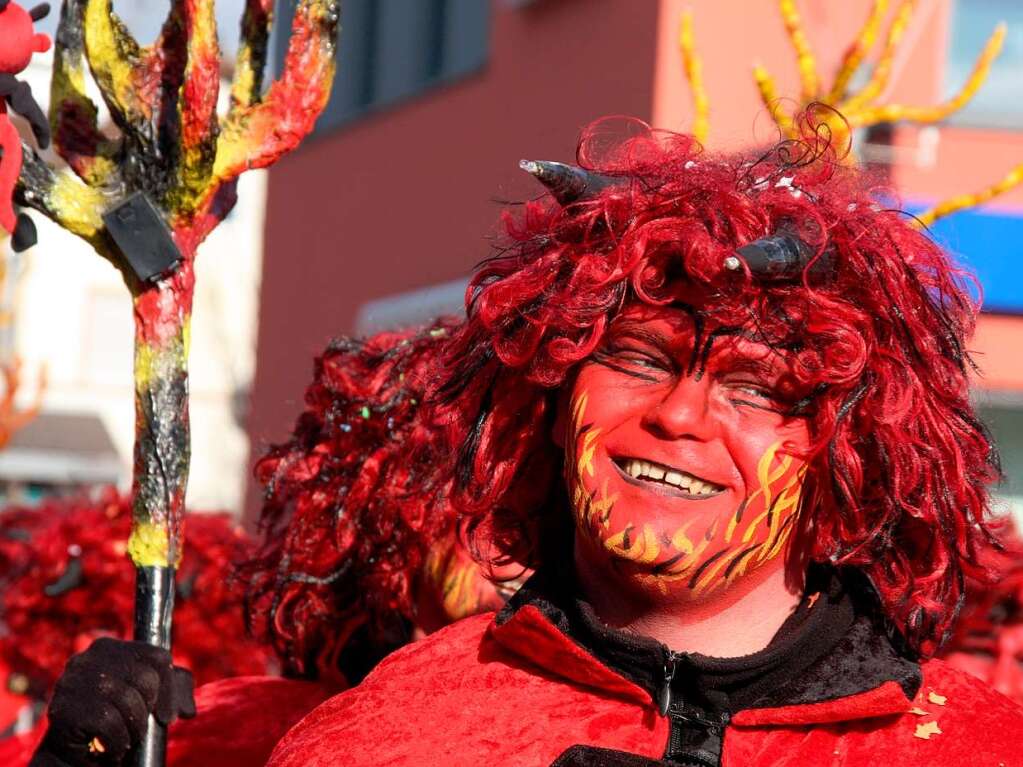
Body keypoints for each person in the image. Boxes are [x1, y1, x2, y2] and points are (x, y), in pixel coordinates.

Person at [29, 113, 1023, 766]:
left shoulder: (978, 746)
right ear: (547, 399)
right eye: (637, 358)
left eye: (757, 387)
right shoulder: (383, 739)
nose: (681, 415)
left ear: (847, 451)